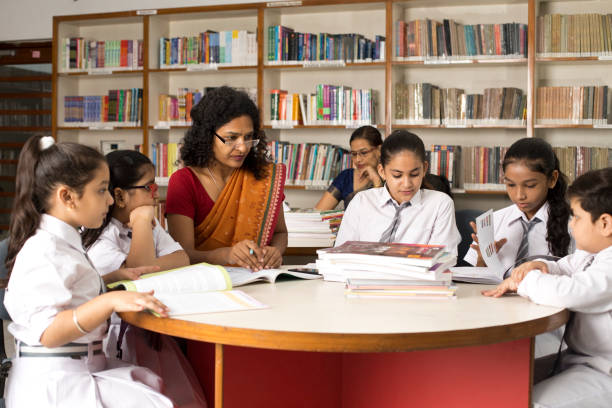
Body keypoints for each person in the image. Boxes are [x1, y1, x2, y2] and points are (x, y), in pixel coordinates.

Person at [2, 135, 173, 407]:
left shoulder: (63, 242)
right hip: (57, 387)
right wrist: (109, 300)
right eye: (101, 190)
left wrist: (111, 280)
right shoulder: (44, 250)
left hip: (78, 371)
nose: (109, 200)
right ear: (67, 196)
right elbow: (48, 331)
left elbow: (68, 292)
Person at [83, 149, 206, 408]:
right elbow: (139, 278)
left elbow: (181, 258)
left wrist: (144, 258)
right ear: (119, 196)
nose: (156, 195)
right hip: (116, 339)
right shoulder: (100, 237)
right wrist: (140, 224)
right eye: (149, 187)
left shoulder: (147, 218)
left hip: (151, 329)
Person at [483, 167, 612, 407]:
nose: (571, 225)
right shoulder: (595, 254)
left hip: (604, 372)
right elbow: (564, 266)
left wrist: (524, 281)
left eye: (576, 217)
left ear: (605, 224)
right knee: (503, 382)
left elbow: (572, 291)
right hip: (579, 360)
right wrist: (539, 265)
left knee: (530, 402)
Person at [166, 86, 287, 271]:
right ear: (207, 136)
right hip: (204, 284)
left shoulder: (262, 177)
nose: (243, 148)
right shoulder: (184, 181)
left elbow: (280, 232)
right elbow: (181, 254)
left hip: (256, 278)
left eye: (249, 137)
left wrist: (275, 251)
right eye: (231, 138)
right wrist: (226, 255)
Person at [335, 129, 461, 255]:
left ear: (424, 169)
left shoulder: (440, 204)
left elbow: (442, 261)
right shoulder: (361, 201)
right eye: (397, 175)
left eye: (414, 174)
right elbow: (340, 256)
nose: (406, 184)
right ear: (382, 172)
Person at [314, 125, 383, 210]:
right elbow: (318, 213)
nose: (358, 159)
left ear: (379, 149)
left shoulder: (391, 177)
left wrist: (377, 182)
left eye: (364, 153)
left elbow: (380, 216)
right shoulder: (346, 177)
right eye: (354, 154)